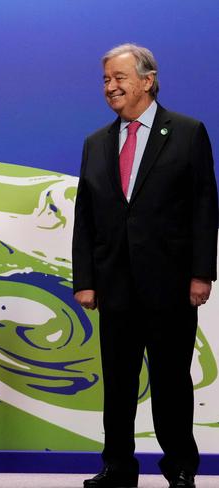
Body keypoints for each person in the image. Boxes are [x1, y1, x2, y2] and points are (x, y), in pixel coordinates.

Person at [72, 43, 218, 488]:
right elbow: (85, 217)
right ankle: (117, 468)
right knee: (117, 385)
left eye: (119, 78)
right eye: (105, 80)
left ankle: (179, 468)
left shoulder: (188, 132)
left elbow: (204, 207)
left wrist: (201, 273)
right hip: (114, 285)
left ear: (147, 80)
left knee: (172, 383)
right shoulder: (96, 142)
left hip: (171, 285)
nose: (110, 87)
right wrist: (85, 281)